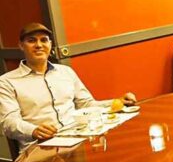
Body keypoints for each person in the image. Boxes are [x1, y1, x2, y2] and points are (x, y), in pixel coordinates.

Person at [0, 23, 137, 150]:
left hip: (76, 140)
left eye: (44, 40)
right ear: (21, 46)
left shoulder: (66, 72)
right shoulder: (7, 82)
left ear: (50, 44)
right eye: (31, 41)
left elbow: (86, 104)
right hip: (40, 147)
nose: (39, 45)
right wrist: (33, 130)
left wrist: (117, 102)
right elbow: (8, 122)